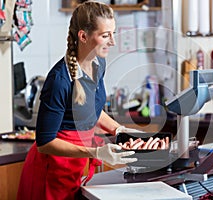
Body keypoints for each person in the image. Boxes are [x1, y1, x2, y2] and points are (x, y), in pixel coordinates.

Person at [17, 1, 141, 199]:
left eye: (113, 34)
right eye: (105, 35)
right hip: (51, 169)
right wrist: (96, 152)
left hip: (76, 162)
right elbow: (45, 142)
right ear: (83, 36)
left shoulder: (98, 64)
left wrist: (119, 129)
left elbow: (90, 110)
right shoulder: (59, 79)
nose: (112, 42)